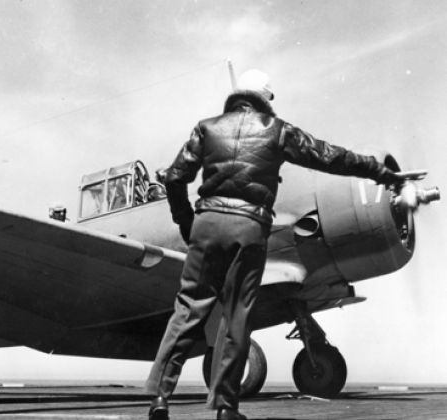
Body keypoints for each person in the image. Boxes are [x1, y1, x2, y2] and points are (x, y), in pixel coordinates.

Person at [145, 69, 404, 420]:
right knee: (236, 316)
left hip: (207, 224)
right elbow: (330, 156)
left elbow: (175, 177)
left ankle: (160, 399)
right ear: (264, 98)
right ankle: (225, 408)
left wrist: (187, 222)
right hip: (249, 226)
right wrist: (379, 172)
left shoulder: (206, 128)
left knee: (189, 308)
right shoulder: (277, 130)